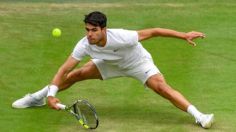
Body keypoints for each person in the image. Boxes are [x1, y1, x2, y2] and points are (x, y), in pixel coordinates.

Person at [12, 11, 214, 128]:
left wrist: (183, 35)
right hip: (109, 64)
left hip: (137, 63)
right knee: (76, 74)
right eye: (87, 30)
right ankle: (38, 97)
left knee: (161, 88)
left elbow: (154, 32)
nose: (89, 34)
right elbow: (64, 69)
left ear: (103, 30)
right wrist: (52, 94)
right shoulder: (84, 44)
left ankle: (200, 116)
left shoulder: (123, 36)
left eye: (94, 30)